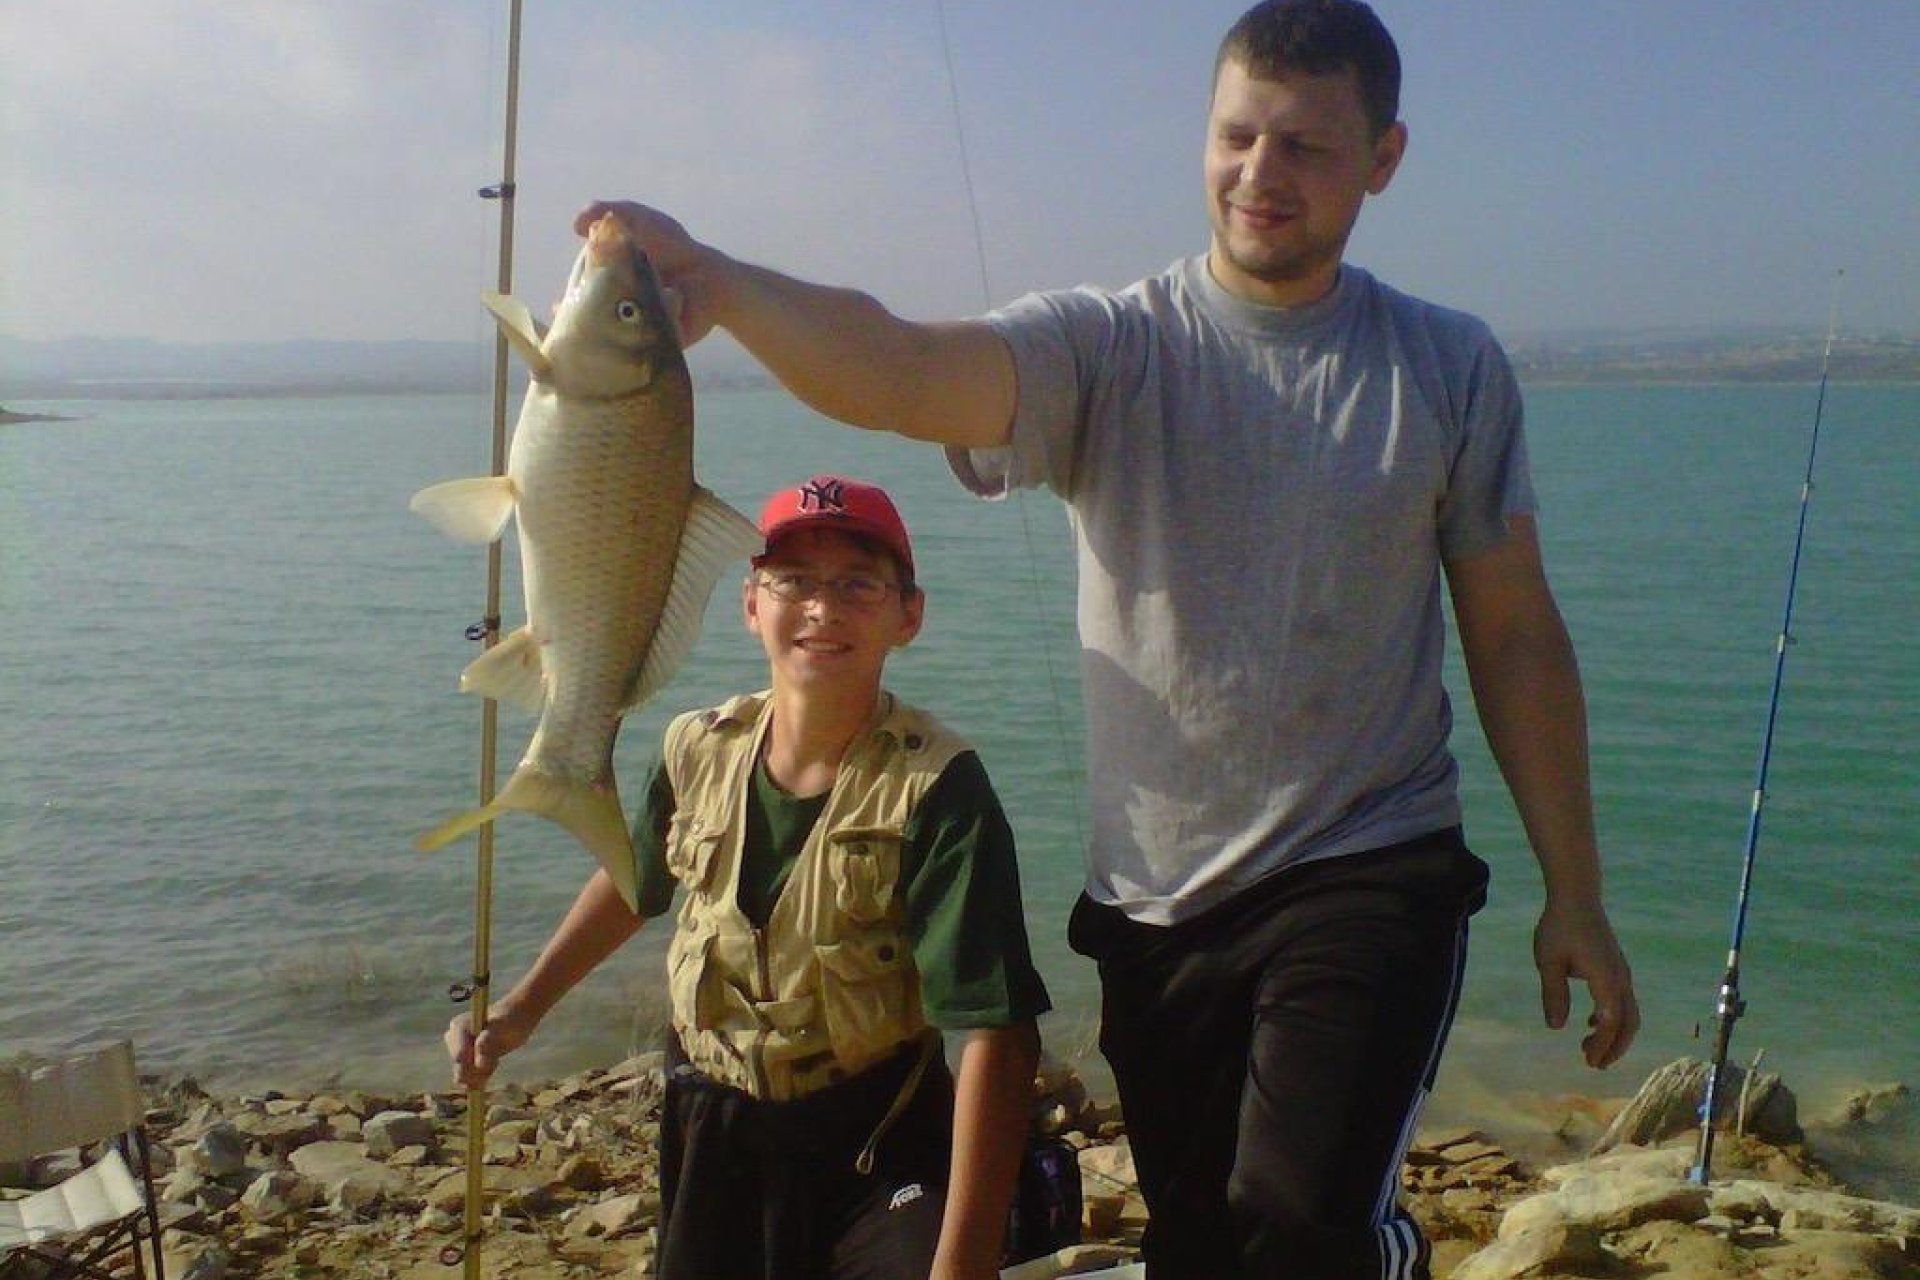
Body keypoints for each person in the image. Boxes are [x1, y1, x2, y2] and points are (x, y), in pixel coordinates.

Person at [574, 1, 1640, 1274]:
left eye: (1307, 145)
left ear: (1383, 158)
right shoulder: (1112, 348)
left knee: (1298, 1218)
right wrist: (729, 285)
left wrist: (1574, 887)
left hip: (1369, 861)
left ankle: (1380, 1253)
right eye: (1239, 135)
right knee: (1196, 1239)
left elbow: (1514, 632)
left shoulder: (1446, 367)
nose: (1262, 173)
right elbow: (906, 366)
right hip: (1156, 900)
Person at [446, 475, 1050, 1280]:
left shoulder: (937, 787)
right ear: (751, 605)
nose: (820, 608)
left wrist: (964, 1262)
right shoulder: (698, 746)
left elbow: (997, 1035)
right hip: (714, 1124)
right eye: (792, 582)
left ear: (908, 614)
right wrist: (518, 1013)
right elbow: (634, 889)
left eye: (856, 585)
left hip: (879, 1131)